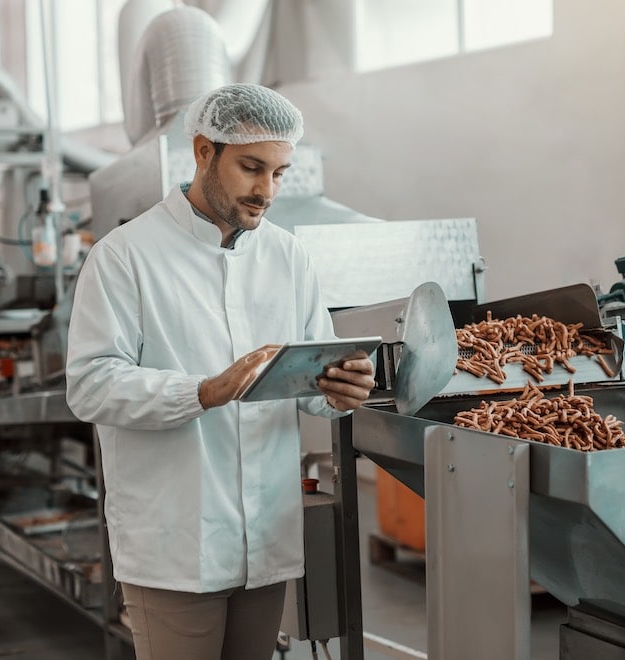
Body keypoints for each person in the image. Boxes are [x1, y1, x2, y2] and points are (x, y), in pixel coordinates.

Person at [65, 83, 376, 660]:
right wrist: (204, 392)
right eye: (251, 168)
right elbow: (89, 386)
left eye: (280, 174)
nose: (266, 191)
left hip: (265, 534)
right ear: (204, 151)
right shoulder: (124, 256)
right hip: (175, 545)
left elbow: (310, 376)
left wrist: (338, 389)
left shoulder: (288, 256)